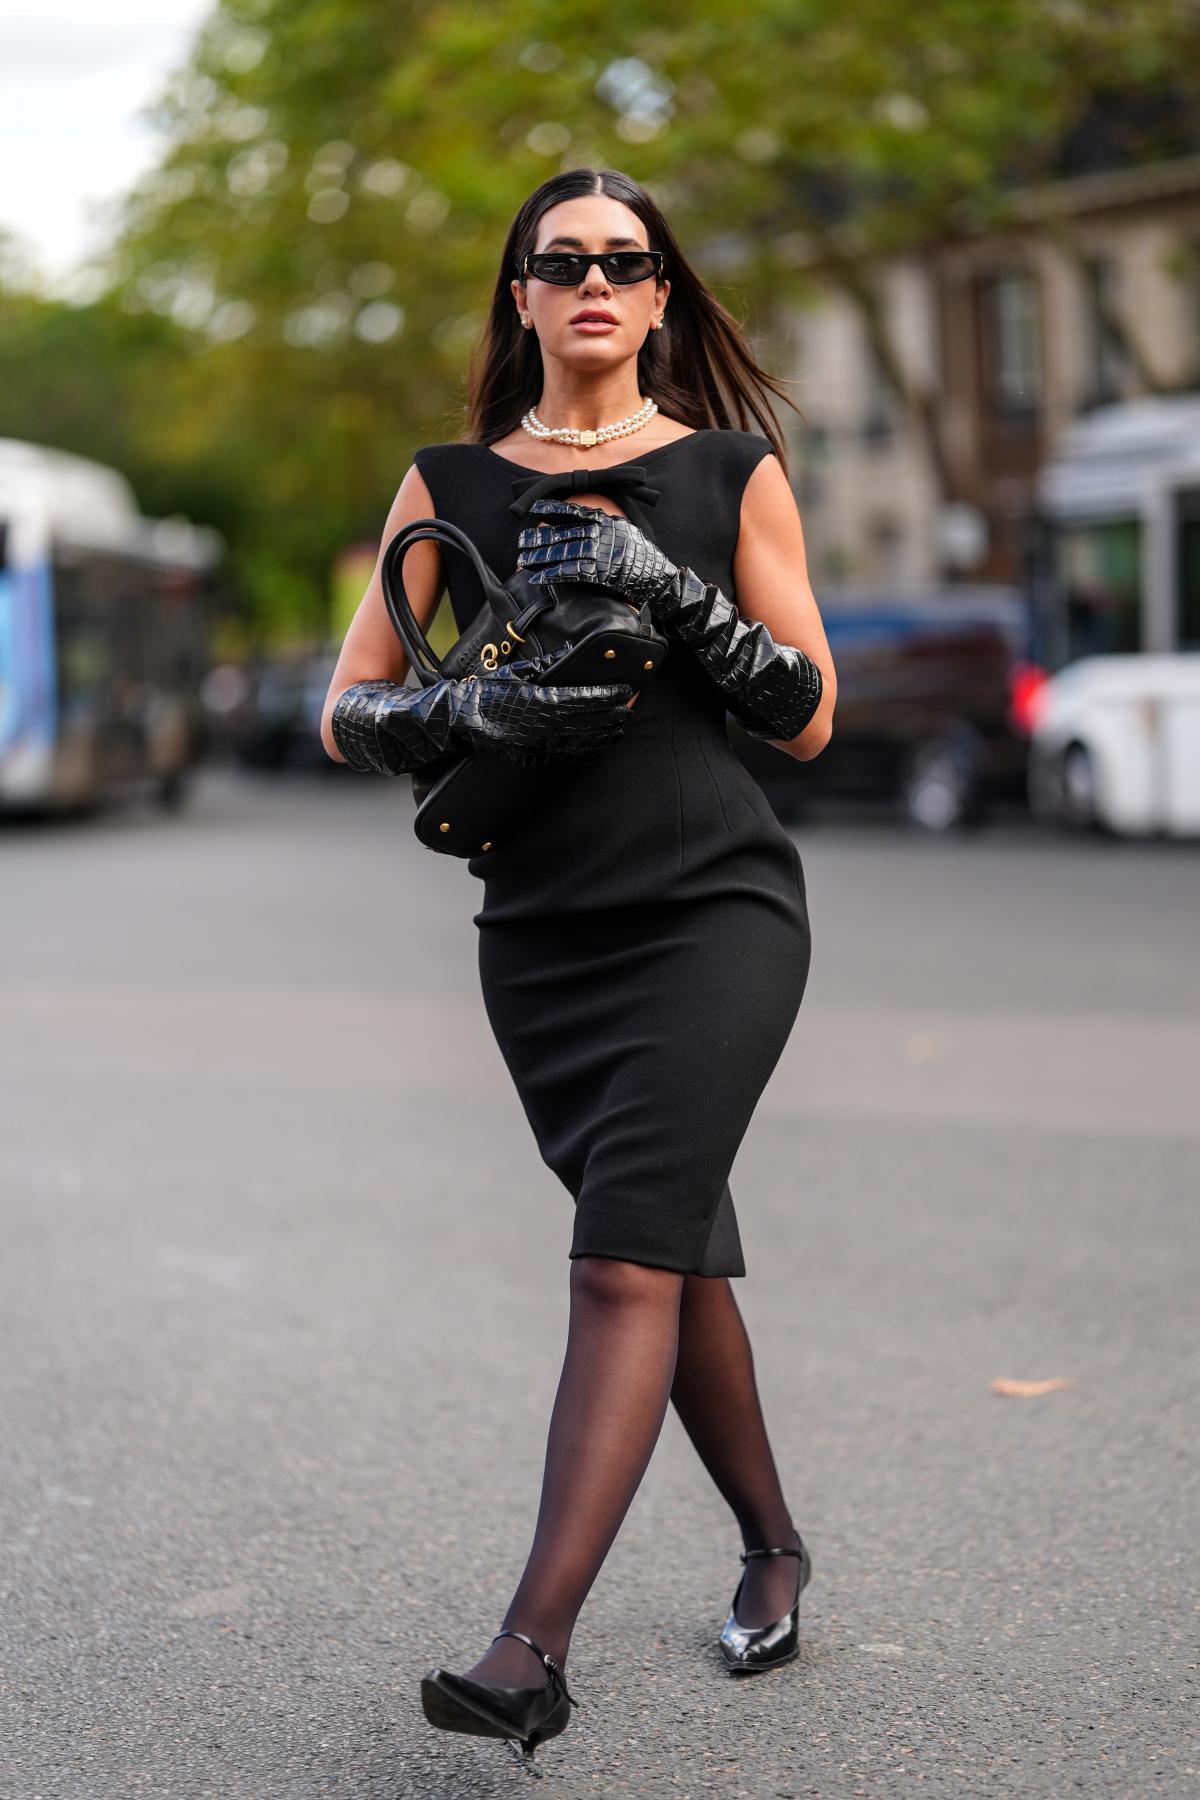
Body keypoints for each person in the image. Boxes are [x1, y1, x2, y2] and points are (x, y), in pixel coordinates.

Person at [320, 166, 836, 1772]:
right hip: (540, 938)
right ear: (524, 296)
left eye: (629, 261)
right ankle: (772, 1543)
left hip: (714, 914)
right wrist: (467, 713)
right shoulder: (447, 484)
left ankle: (529, 1651)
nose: (598, 282)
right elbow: (341, 709)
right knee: (667, 1256)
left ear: (664, 296)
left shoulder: (733, 474)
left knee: (622, 1262)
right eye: (566, 262)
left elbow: (810, 713)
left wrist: (669, 594)